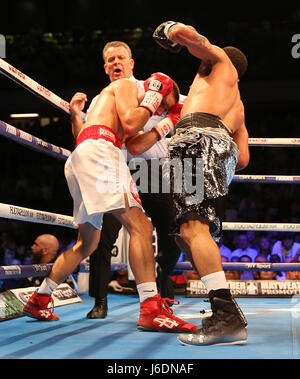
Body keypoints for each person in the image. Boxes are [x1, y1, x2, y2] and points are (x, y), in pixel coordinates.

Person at [22, 68, 197, 333]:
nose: (161, 110)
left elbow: (135, 145)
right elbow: (130, 124)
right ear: (156, 90)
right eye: (165, 104)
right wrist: (152, 99)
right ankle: (151, 309)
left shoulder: (118, 106)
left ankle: (40, 298)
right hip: (101, 153)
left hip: (86, 154)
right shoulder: (126, 86)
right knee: (141, 227)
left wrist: (167, 123)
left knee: (87, 243)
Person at [153, 21, 250, 345]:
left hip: (197, 141)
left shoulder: (219, 60)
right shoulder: (237, 104)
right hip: (215, 148)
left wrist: (168, 31)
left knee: (192, 228)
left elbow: (188, 35)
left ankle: (226, 317)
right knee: (191, 231)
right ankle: (226, 308)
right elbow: (244, 157)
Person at [73, 41, 183, 318]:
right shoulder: (101, 99)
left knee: (172, 234)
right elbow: (83, 137)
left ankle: (162, 284)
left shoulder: (153, 87)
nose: (115, 63)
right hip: (114, 167)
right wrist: (75, 115)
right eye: (110, 60)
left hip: (152, 169)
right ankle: (99, 300)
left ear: (131, 63)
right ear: (105, 67)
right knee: (102, 236)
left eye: (120, 57)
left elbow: (182, 107)